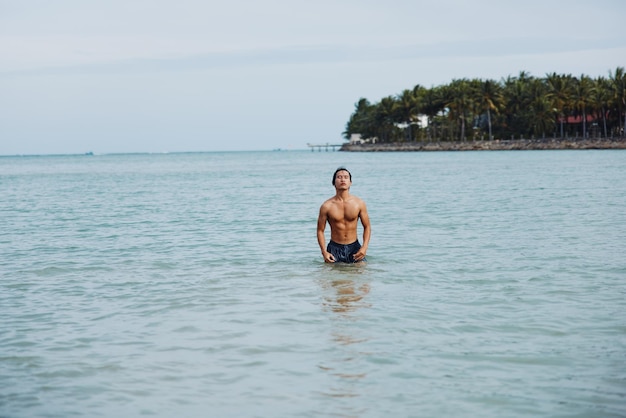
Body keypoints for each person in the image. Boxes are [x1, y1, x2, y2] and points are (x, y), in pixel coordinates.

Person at [317, 167, 371, 263]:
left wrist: (364, 247)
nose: (342, 179)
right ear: (334, 182)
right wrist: (324, 252)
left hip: (354, 247)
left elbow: (367, 227)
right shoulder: (326, 206)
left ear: (350, 182)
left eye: (346, 177)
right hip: (334, 248)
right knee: (334, 277)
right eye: (339, 177)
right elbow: (320, 230)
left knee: (362, 275)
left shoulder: (359, 203)